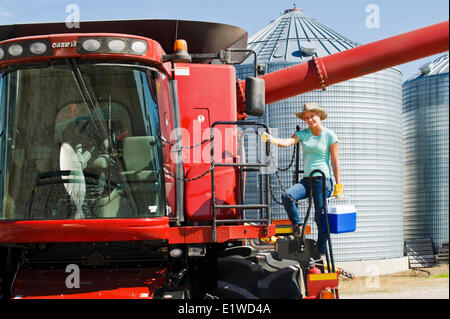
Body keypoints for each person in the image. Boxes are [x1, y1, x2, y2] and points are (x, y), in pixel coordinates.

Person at [262, 102, 343, 258]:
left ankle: (321, 251)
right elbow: (288, 142)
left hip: (323, 180)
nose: (309, 120)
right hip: (308, 180)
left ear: (319, 116)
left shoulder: (329, 135)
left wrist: (339, 185)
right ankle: (298, 226)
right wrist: (272, 139)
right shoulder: (304, 134)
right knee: (287, 196)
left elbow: (335, 161)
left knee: (320, 217)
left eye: (312, 116)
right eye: (306, 117)